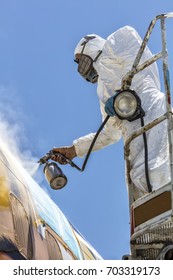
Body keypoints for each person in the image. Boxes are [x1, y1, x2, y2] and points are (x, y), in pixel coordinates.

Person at [51, 26, 170, 200]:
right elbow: (109, 134)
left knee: (154, 173)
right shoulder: (103, 92)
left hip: (149, 109)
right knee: (138, 183)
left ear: (90, 48)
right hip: (132, 132)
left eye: (81, 60)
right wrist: (74, 150)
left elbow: (137, 63)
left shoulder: (116, 42)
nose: (81, 68)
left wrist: (123, 95)